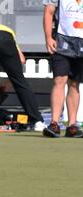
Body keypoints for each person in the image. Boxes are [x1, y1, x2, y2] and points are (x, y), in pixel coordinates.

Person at [0, 23, 47, 132]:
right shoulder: (10, 36)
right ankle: (37, 121)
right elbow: (21, 60)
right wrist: (8, 82)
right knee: (20, 82)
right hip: (5, 38)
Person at [42, 0, 83, 138]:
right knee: (60, 79)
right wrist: (48, 37)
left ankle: (72, 125)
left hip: (81, 41)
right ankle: (54, 123)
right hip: (61, 39)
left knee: (74, 83)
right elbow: (48, 11)